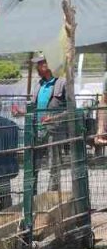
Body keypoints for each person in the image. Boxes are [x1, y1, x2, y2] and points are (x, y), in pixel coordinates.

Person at [32, 54, 70, 190]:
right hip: (37, 131)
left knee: (54, 165)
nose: (37, 67)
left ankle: (52, 195)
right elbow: (33, 106)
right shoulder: (38, 85)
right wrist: (21, 112)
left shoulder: (63, 83)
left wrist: (53, 119)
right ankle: (33, 194)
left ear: (47, 65)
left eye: (39, 64)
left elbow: (71, 110)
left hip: (54, 131)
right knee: (33, 165)